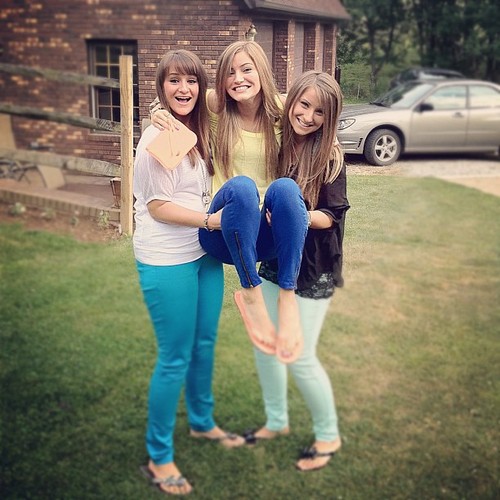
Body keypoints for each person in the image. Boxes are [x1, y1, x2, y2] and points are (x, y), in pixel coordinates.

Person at [152, 41, 308, 364]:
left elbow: (317, 111)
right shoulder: (216, 109)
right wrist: (157, 111)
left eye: (246, 69)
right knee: (242, 187)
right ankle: (250, 292)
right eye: (230, 73)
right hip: (222, 232)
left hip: (266, 237)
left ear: (261, 71)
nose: (238, 79)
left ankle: (287, 297)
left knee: (286, 189)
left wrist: (332, 142)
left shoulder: (281, 111)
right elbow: (175, 96)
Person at [134, 49, 244, 497]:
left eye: (192, 81)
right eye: (174, 81)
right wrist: (211, 221)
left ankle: (201, 422)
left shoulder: (196, 129)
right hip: (167, 259)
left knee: (204, 343)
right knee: (175, 356)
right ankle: (159, 457)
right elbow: (158, 206)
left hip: (203, 254)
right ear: (161, 87)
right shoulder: (158, 137)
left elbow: (247, 95)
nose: (184, 89)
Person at [243, 71, 350, 472]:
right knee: (266, 346)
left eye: (319, 112)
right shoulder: (280, 139)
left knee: (300, 355)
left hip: (312, 267)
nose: (307, 116)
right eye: (303, 105)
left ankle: (328, 435)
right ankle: (276, 421)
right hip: (276, 260)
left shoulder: (330, 156)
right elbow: (238, 98)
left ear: (329, 118)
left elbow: (332, 215)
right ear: (291, 103)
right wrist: (159, 108)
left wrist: (297, 216)